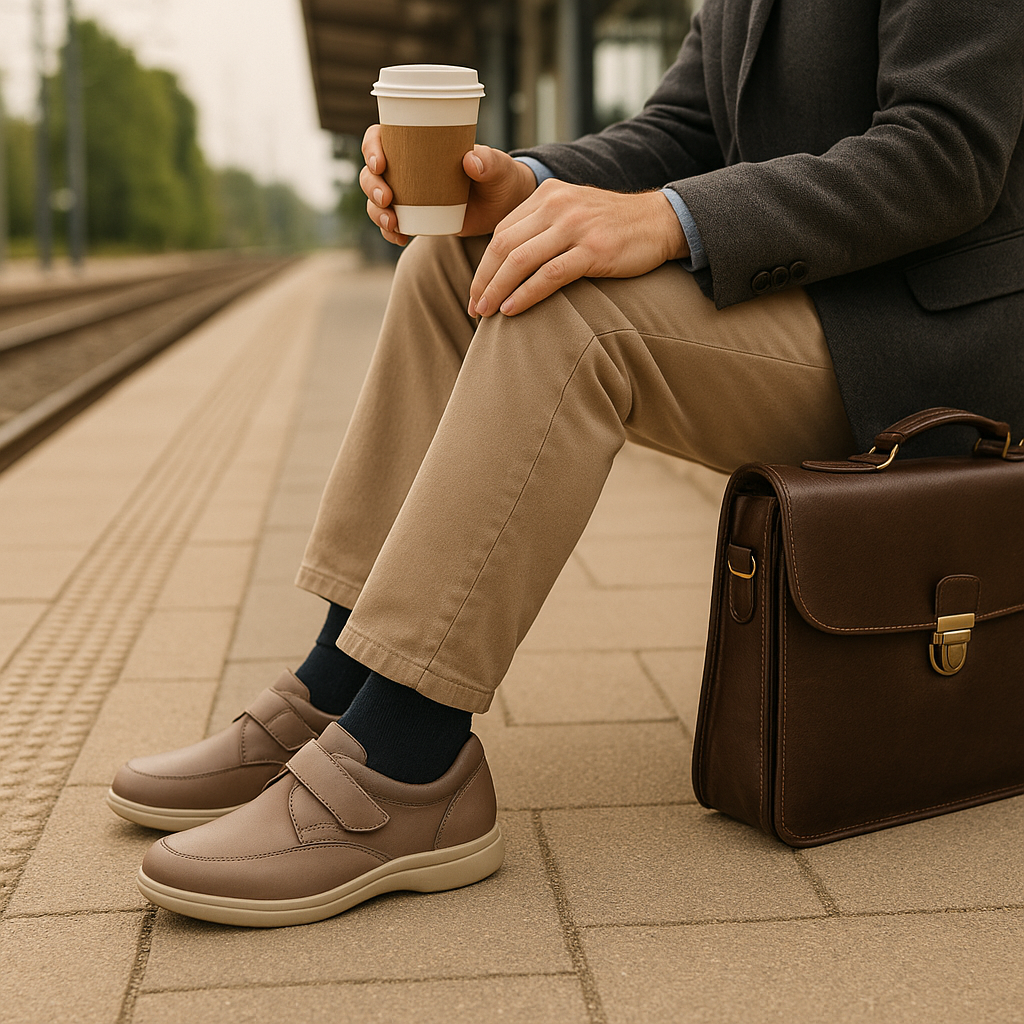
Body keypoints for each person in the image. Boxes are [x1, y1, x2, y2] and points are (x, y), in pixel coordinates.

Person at [108, 0, 1024, 926]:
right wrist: (523, 185)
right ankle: (337, 685)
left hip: (922, 338)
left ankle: (406, 760)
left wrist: (670, 219)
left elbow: (945, 151)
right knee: (456, 261)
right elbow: (684, 128)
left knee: (567, 317)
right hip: (807, 290)